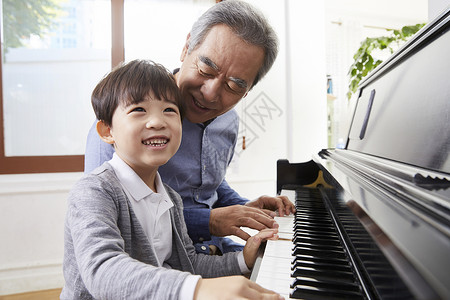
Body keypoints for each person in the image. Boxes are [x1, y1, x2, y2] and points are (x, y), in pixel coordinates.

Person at [84, 0, 295, 255]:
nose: (211, 94)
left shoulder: (228, 121)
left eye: (234, 86)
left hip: (213, 250)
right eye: (207, 69)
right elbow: (114, 219)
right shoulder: (124, 124)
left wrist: (246, 207)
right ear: (186, 48)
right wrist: (210, 222)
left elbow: (208, 185)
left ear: (248, 91)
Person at [61, 59, 282, 300]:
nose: (158, 121)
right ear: (107, 131)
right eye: (138, 110)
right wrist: (195, 290)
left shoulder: (171, 198)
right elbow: (103, 270)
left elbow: (188, 264)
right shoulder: (94, 191)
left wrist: (243, 259)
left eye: (169, 111)